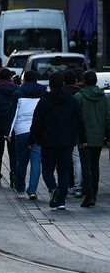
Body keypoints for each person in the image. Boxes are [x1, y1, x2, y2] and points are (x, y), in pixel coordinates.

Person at [29, 71, 87, 211]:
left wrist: (32, 140)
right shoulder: (72, 101)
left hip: (48, 142)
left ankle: (53, 189)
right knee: (64, 171)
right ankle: (61, 201)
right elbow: (80, 121)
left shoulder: (44, 101)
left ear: (50, 84)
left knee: (47, 169)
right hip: (67, 142)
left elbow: (36, 123)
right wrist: (83, 139)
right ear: (63, 84)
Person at [7, 70, 45, 199]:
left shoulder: (18, 93)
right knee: (36, 161)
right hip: (38, 132)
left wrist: (9, 133)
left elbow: (13, 115)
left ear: (24, 79)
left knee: (21, 160)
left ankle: (20, 186)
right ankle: (32, 190)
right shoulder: (44, 92)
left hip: (22, 131)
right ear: (36, 79)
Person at [75, 71, 110, 207]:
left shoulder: (79, 97)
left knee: (85, 166)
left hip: (84, 137)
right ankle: (94, 193)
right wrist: (107, 135)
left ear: (84, 81)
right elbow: (108, 118)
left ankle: (88, 194)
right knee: (95, 166)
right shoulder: (103, 97)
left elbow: (76, 119)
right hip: (98, 136)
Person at [63, 70, 84, 197]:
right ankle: (78, 186)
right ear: (76, 81)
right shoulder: (79, 94)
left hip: (62, 132)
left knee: (64, 160)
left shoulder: (61, 93)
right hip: (75, 132)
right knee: (77, 160)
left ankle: (66, 185)